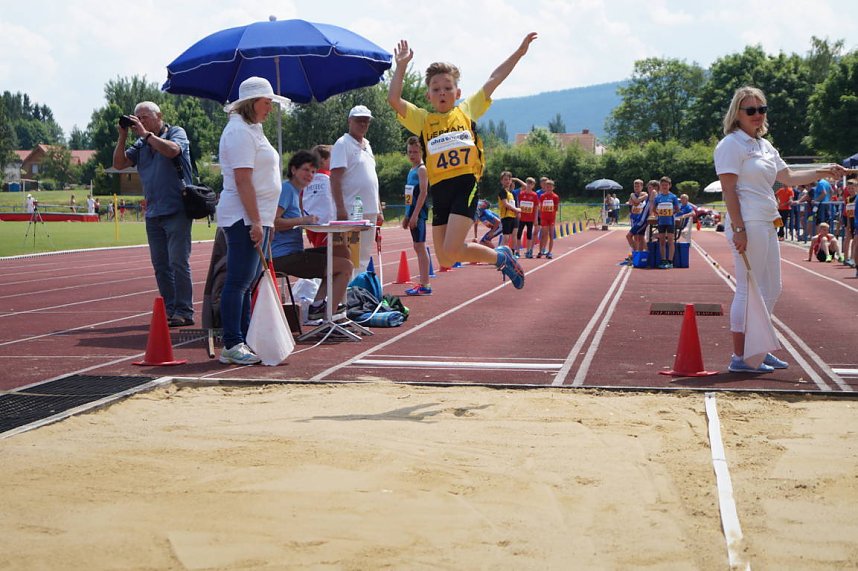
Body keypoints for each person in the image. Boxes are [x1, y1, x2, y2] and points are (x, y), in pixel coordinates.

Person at [387, 33, 537, 290]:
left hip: (465, 185)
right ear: (428, 96)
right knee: (446, 257)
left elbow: (494, 79)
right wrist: (401, 66)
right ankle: (501, 256)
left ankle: (502, 258)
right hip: (440, 191)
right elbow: (393, 100)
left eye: (447, 88)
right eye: (436, 89)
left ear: (457, 92)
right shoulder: (423, 120)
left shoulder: (466, 111)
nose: (442, 93)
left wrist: (519, 53)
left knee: (453, 248)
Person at [715, 85, 846, 373]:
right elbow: (728, 191)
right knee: (748, 290)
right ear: (737, 114)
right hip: (748, 222)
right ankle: (741, 357)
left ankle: (757, 351)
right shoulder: (730, 145)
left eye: (761, 110)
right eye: (751, 110)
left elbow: (788, 177)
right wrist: (738, 229)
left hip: (767, 220)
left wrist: (826, 170)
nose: (757, 115)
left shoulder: (764, 145)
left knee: (772, 288)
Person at [215, 77, 287, 365]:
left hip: (259, 216)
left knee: (247, 281)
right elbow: (243, 179)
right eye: (266, 102)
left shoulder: (253, 129)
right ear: (251, 103)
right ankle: (232, 342)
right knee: (239, 280)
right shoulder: (238, 132)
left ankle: (241, 338)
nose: (270, 107)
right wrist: (255, 222)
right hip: (244, 217)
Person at [113, 100, 195, 328]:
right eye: (136, 117)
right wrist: (123, 136)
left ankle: (184, 310)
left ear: (159, 116)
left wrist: (146, 134)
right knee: (160, 265)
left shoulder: (176, 132)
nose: (140, 121)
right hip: (154, 212)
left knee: (178, 262)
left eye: (145, 117)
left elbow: (173, 150)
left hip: (177, 208)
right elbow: (119, 164)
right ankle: (170, 310)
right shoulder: (140, 144)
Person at [272, 150, 354, 319]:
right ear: (293, 170)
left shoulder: (296, 192)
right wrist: (303, 220)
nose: (310, 175)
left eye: (313, 171)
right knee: (345, 266)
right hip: (284, 257)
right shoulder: (287, 189)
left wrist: (307, 221)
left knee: (341, 251)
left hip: (293, 253)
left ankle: (317, 306)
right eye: (306, 170)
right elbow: (274, 222)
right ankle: (328, 320)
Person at [330, 105, 383, 275]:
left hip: (369, 210)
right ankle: (348, 293)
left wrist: (379, 209)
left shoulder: (367, 145)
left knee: (364, 255)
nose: (363, 124)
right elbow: (335, 177)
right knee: (351, 254)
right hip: (353, 210)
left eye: (366, 121)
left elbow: (373, 179)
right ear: (349, 121)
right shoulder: (343, 143)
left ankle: (357, 292)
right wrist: (340, 208)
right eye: (359, 120)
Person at [402, 136, 431, 296]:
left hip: (419, 213)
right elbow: (409, 196)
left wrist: (414, 215)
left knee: (420, 246)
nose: (412, 155)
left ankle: (425, 284)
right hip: (411, 212)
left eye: (415, 152)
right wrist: (406, 216)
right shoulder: (411, 170)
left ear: (421, 152)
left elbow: (423, 193)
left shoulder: (422, 169)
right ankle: (423, 283)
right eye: (409, 152)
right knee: (417, 246)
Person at [303, 144, 334, 248]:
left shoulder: (306, 179)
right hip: (327, 224)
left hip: (310, 223)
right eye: (331, 158)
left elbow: (300, 198)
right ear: (324, 160)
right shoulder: (331, 177)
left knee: (317, 250)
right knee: (326, 254)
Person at [652, 176, 680, 269]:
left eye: (666, 185)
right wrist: (658, 214)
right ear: (660, 186)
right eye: (662, 185)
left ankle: (670, 261)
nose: (664, 187)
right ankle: (663, 260)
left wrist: (672, 214)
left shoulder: (673, 197)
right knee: (662, 242)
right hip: (661, 222)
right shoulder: (658, 197)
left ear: (670, 185)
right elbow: (653, 209)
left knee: (671, 241)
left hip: (670, 222)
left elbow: (677, 209)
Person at [517, 177, 539, 258]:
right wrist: (518, 213)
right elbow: (518, 205)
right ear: (526, 184)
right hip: (521, 218)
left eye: (531, 184)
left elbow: (536, 207)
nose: (529, 185)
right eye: (528, 183)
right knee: (519, 234)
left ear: (533, 185)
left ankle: (528, 251)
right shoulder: (521, 194)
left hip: (530, 218)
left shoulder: (534, 195)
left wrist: (536, 218)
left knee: (529, 235)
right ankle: (517, 251)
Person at [537, 179, 559, 258]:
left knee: (551, 235)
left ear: (553, 187)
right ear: (545, 187)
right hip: (544, 218)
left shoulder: (555, 197)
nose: (549, 188)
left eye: (550, 187)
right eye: (547, 187)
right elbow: (540, 206)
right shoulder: (542, 196)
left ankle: (549, 252)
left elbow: (556, 209)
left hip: (551, 218)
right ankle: (540, 251)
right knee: (543, 234)